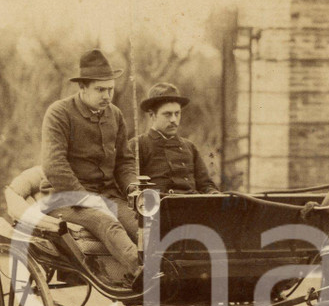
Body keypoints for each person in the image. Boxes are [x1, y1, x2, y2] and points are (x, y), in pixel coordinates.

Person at [39, 49, 141, 288]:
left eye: (110, 89)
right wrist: (84, 197)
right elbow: (54, 165)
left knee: (145, 223)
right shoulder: (59, 113)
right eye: (100, 89)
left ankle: (170, 272)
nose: (107, 96)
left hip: (106, 196)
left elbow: (124, 161)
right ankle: (142, 274)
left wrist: (133, 188)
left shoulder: (115, 116)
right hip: (63, 199)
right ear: (82, 88)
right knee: (107, 223)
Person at [131, 83, 221, 194]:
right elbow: (131, 185)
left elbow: (206, 184)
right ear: (152, 115)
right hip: (161, 207)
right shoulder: (139, 145)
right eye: (167, 114)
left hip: (194, 205)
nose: (174, 119)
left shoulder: (189, 146)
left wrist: (213, 193)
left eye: (177, 113)